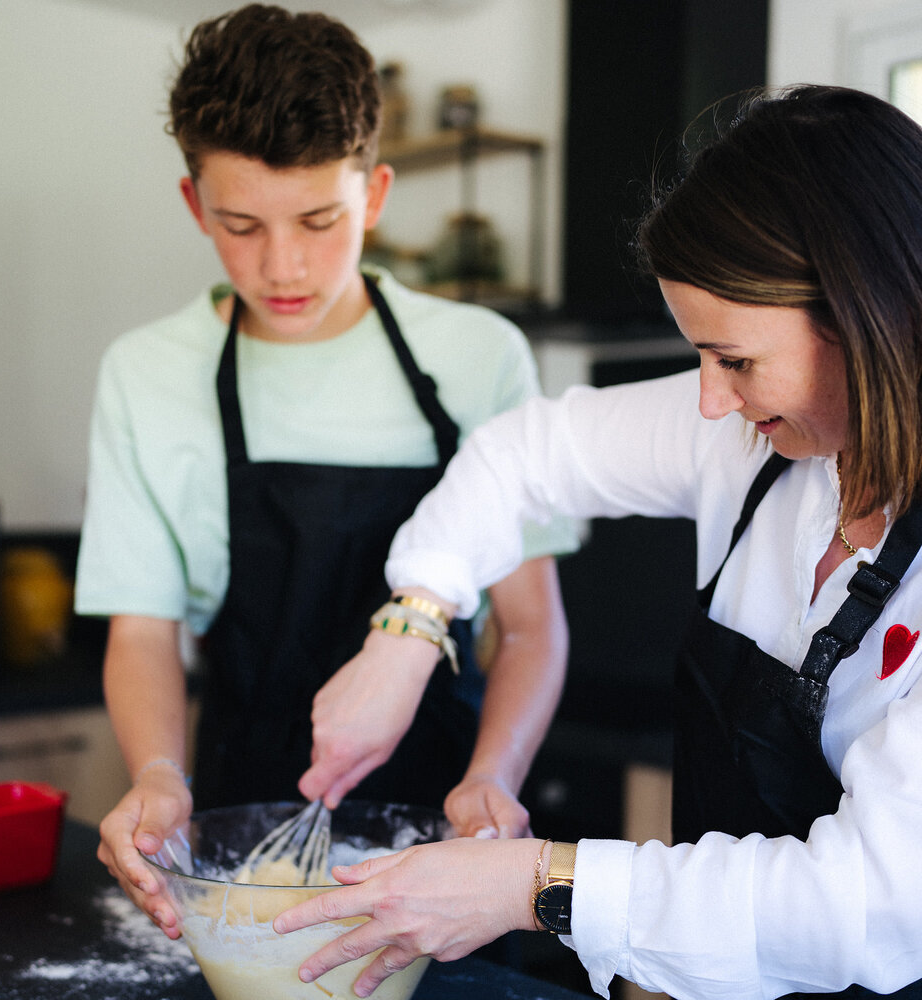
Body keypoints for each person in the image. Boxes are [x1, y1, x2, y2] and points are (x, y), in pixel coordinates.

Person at [276, 85, 922, 1000]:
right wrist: (411, 625)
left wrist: (536, 884)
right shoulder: (753, 439)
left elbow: (872, 904)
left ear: (871, 313)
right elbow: (522, 456)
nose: (709, 400)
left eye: (734, 359)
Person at [74, 3, 575, 937]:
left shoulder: (477, 356)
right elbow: (144, 631)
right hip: (234, 854)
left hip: (442, 846)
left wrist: (492, 781)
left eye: (319, 219)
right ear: (194, 207)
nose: (285, 265)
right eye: (240, 225)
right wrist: (154, 776)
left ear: (375, 195)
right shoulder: (145, 373)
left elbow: (532, 630)